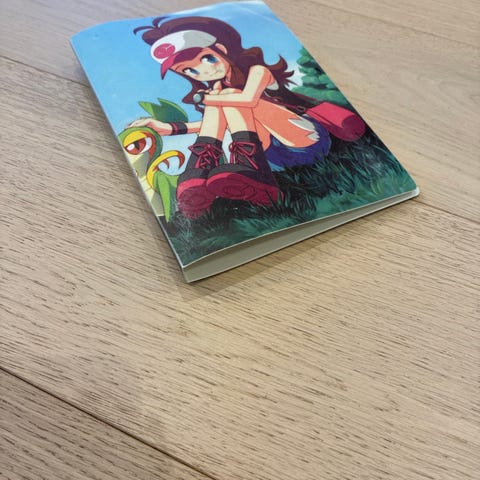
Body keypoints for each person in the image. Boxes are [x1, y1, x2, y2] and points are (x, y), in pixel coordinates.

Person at [131, 16, 338, 218]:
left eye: (207, 59)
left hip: (303, 141)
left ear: (221, 49)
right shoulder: (217, 89)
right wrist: (170, 129)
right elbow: (220, 121)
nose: (203, 71)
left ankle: (246, 165)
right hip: (270, 158)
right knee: (220, 99)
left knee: (227, 97)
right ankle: (201, 171)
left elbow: (248, 100)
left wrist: (210, 98)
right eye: (190, 70)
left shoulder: (258, 71)